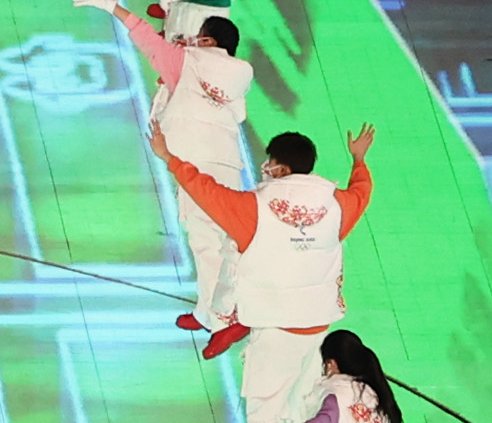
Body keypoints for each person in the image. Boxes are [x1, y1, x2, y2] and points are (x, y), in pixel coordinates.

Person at [158, 123, 378, 422]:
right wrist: (359, 160)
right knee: (303, 408)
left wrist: (170, 158)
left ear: (282, 169)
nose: (266, 166)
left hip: (275, 329)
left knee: (266, 411)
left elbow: (205, 190)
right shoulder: (338, 205)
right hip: (317, 327)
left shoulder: (253, 207)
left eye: (271, 161)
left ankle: (226, 321)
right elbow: (361, 192)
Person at [82, 0, 260, 338]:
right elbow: (237, 115)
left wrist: (111, 5)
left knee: (205, 241)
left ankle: (221, 313)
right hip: (226, 161)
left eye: (199, 37)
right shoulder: (241, 73)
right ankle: (219, 309)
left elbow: (145, 37)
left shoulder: (186, 61)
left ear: (208, 40)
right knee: (223, 238)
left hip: (193, 163)